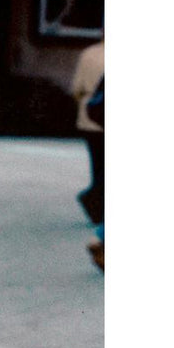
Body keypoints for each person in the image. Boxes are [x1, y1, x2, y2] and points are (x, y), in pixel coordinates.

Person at [71, 37, 104, 269]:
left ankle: (96, 202)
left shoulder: (89, 54)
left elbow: (76, 89)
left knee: (98, 166)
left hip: (92, 118)